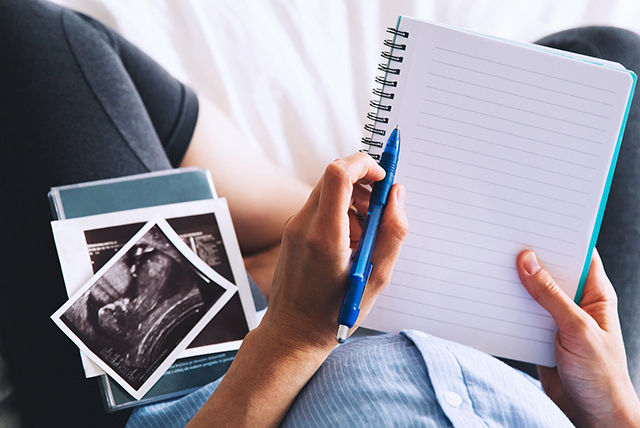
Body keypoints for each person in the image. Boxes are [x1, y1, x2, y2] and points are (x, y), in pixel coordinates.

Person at [0, 0, 639, 426]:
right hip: (522, 376)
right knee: (611, 60)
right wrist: (613, 412)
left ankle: (285, 253)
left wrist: (295, 332)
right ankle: (302, 227)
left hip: (225, 389)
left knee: (30, 43)